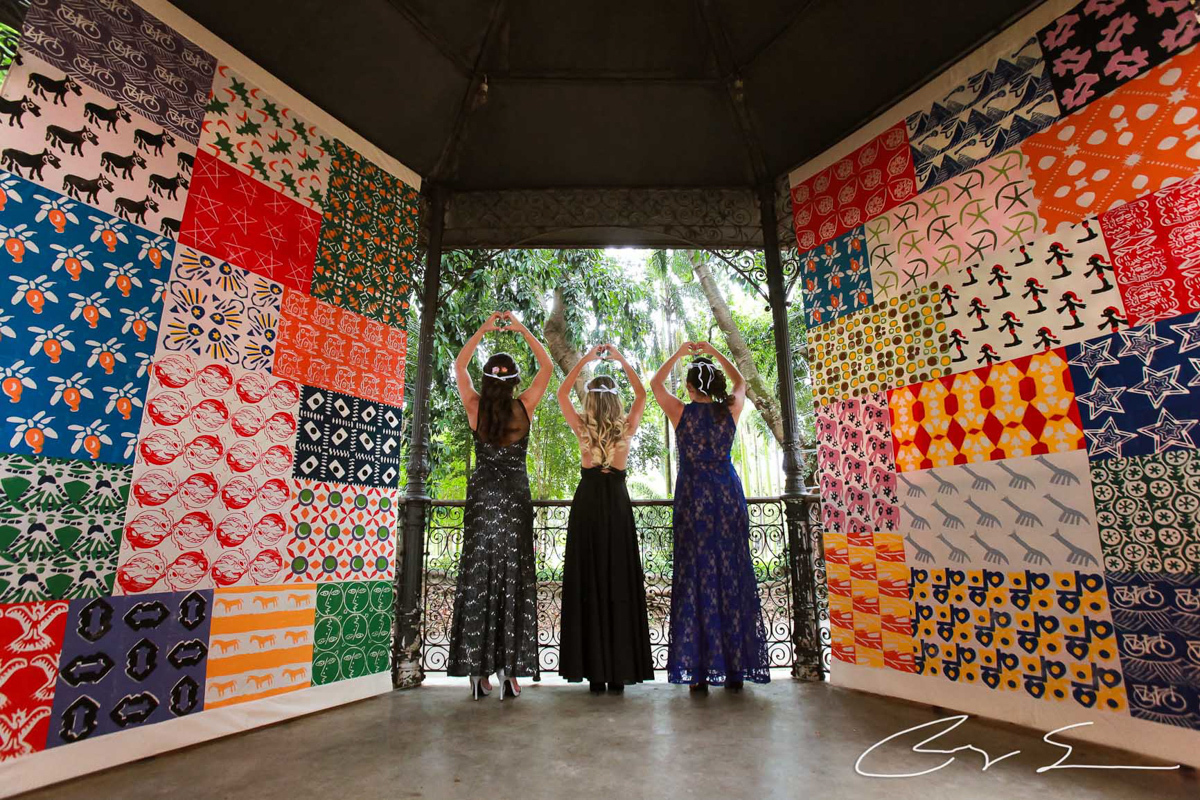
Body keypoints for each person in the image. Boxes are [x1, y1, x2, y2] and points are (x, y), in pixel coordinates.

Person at [650, 341, 770, 692]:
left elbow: (655, 385)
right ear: (713, 385)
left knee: (696, 576)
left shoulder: (681, 413)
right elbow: (741, 383)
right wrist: (715, 352)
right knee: (731, 573)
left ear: (689, 387)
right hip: (727, 496)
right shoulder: (728, 410)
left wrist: (679, 353)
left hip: (693, 499)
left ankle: (698, 673)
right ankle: (735, 671)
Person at [447, 311, 552, 701]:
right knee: (513, 580)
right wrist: (521, 328)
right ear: (513, 381)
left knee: (479, 579)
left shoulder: (474, 405)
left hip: (481, 500)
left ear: (489, 378)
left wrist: (484, 329)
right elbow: (546, 365)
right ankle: (510, 673)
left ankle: (477, 674)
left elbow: (459, 365)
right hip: (514, 499)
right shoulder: (524, 406)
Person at [557, 343, 655, 694]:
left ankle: (594, 674)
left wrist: (584, 358)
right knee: (617, 580)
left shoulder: (582, 427)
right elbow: (642, 392)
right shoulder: (625, 427)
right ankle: (618, 672)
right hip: (615, 505)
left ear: (591, 401)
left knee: (590, 581)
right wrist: (619, 357)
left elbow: (561, 392)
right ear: (615, 401)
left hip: (587, 506)